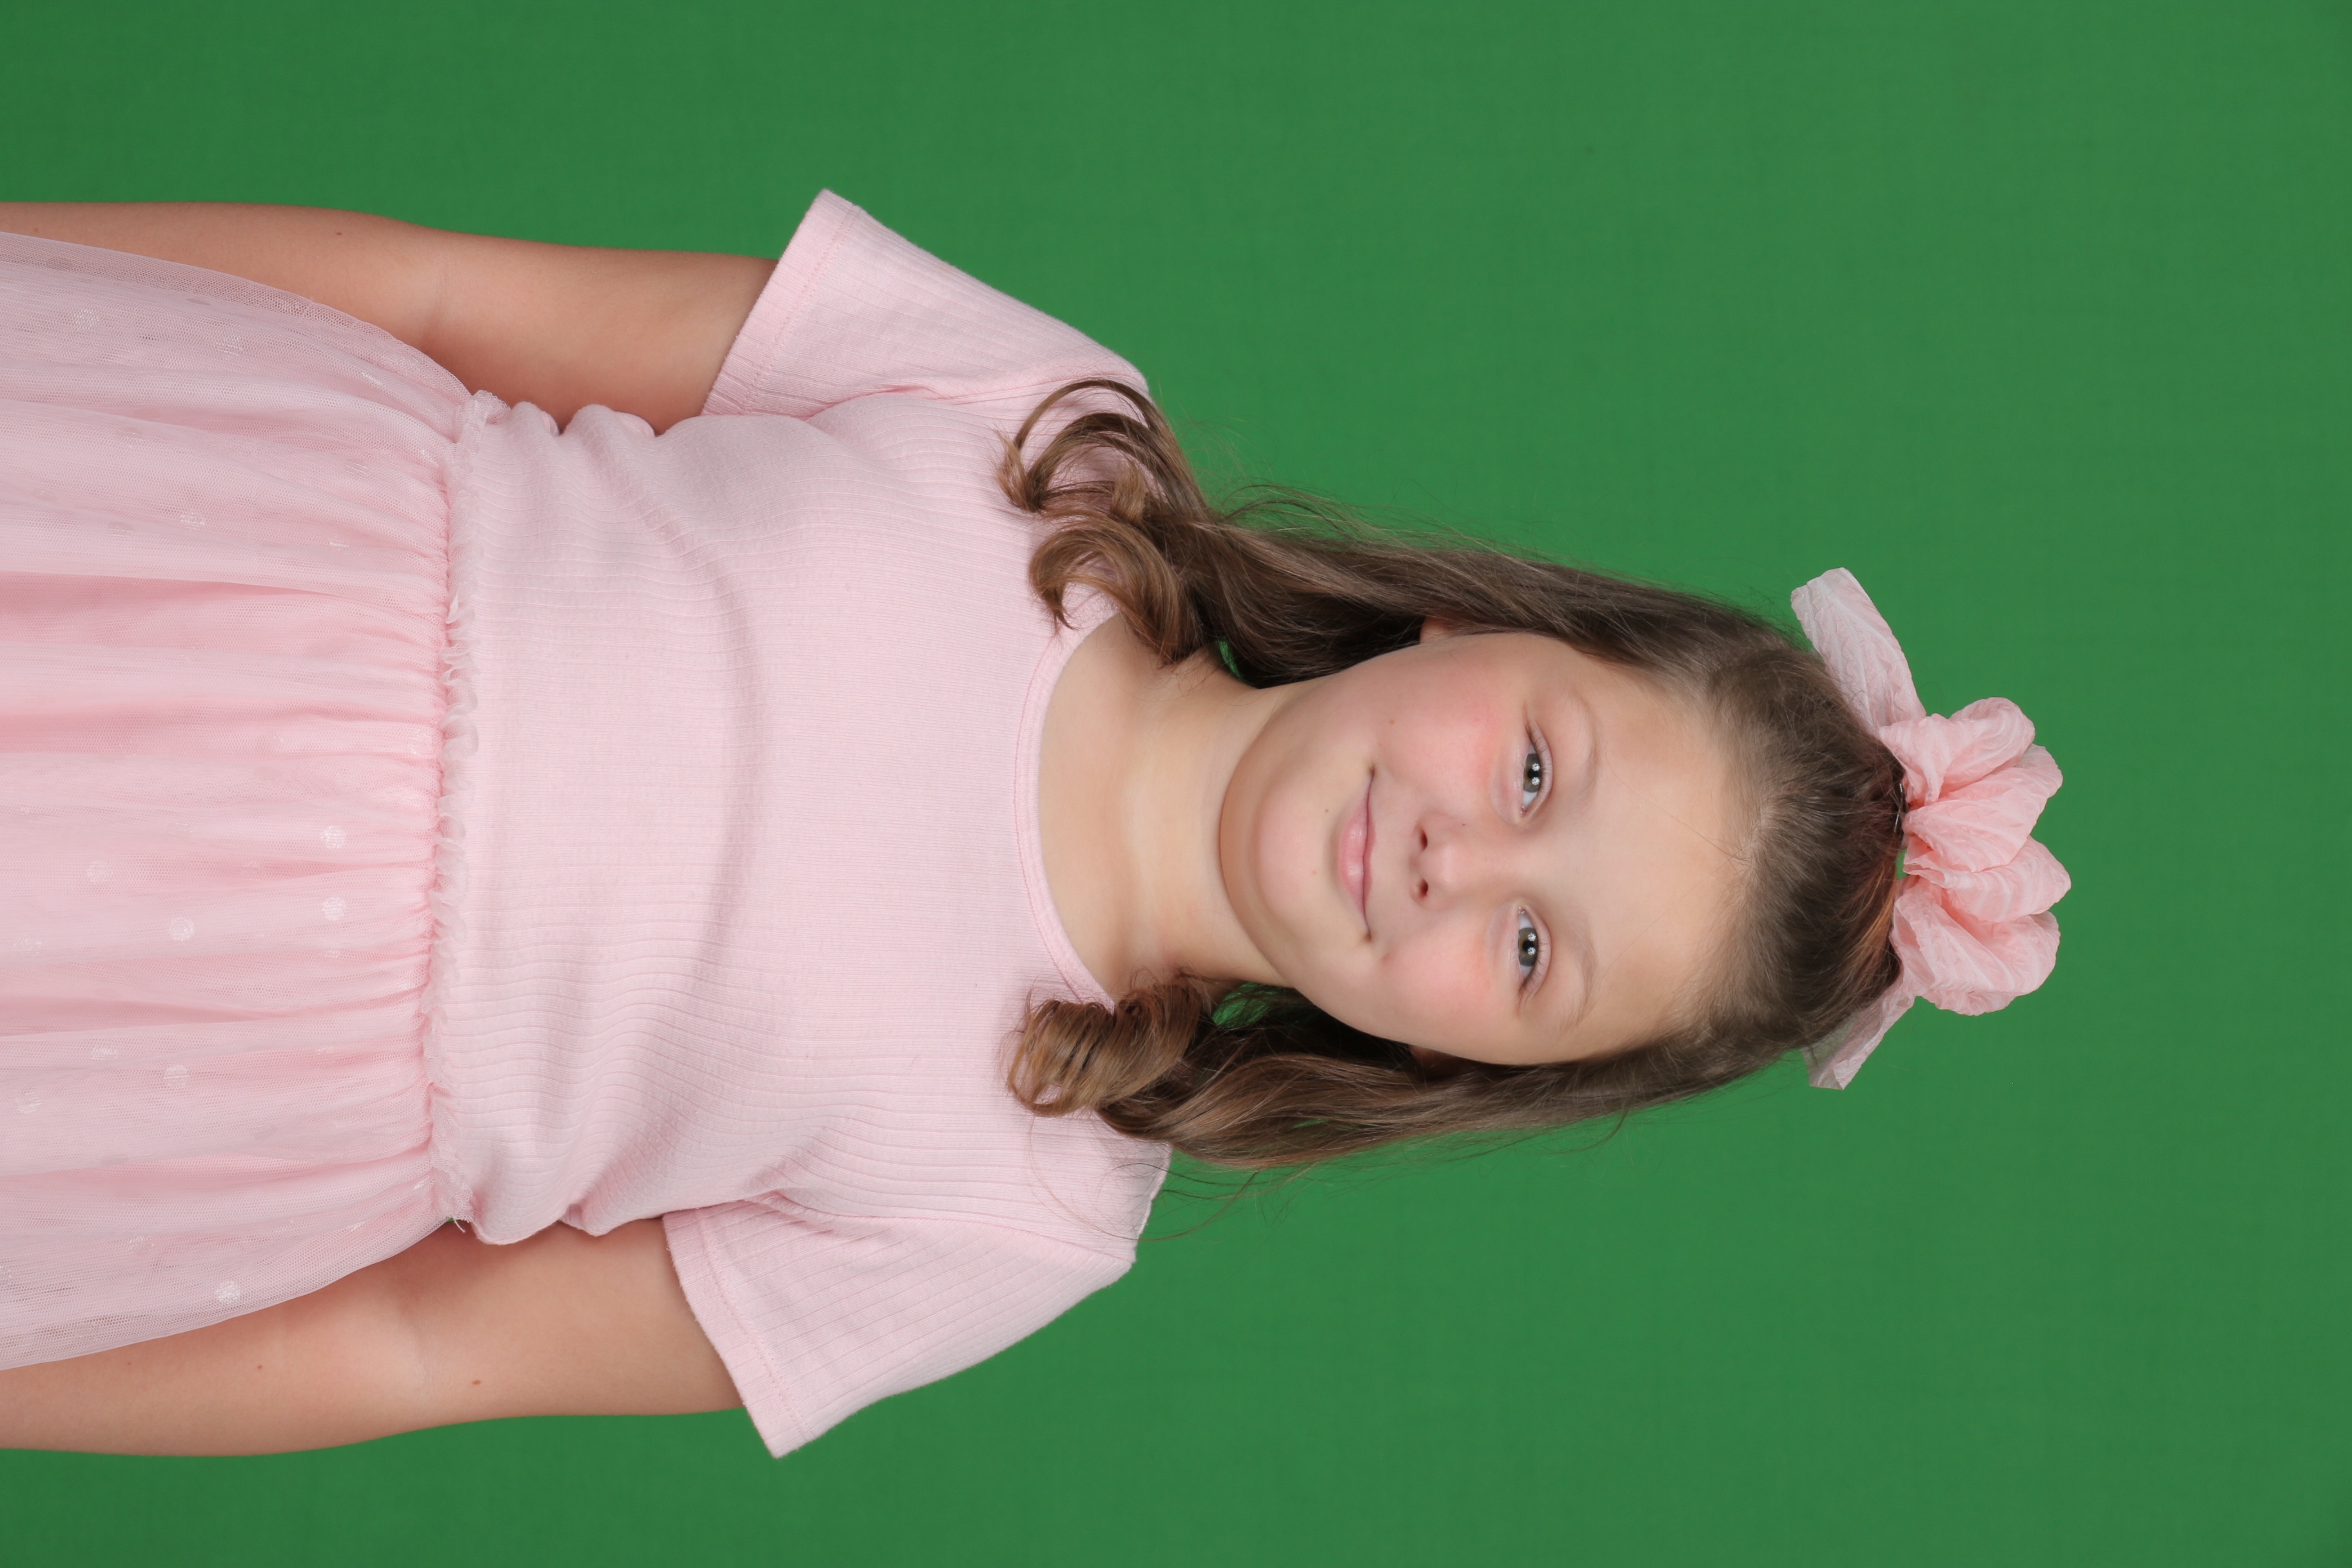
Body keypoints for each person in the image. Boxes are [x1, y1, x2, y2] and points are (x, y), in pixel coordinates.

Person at [0, 191, 2068, 1457]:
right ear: (1494, 627)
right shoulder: (1046, 436)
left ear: (1474, 1059)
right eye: (1536, 771)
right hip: (193, 535)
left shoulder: (1014, 1216)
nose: (1462, 859)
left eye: (1534, 951)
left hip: (160, 1049)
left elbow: (409, 1348)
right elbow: (442, 290)